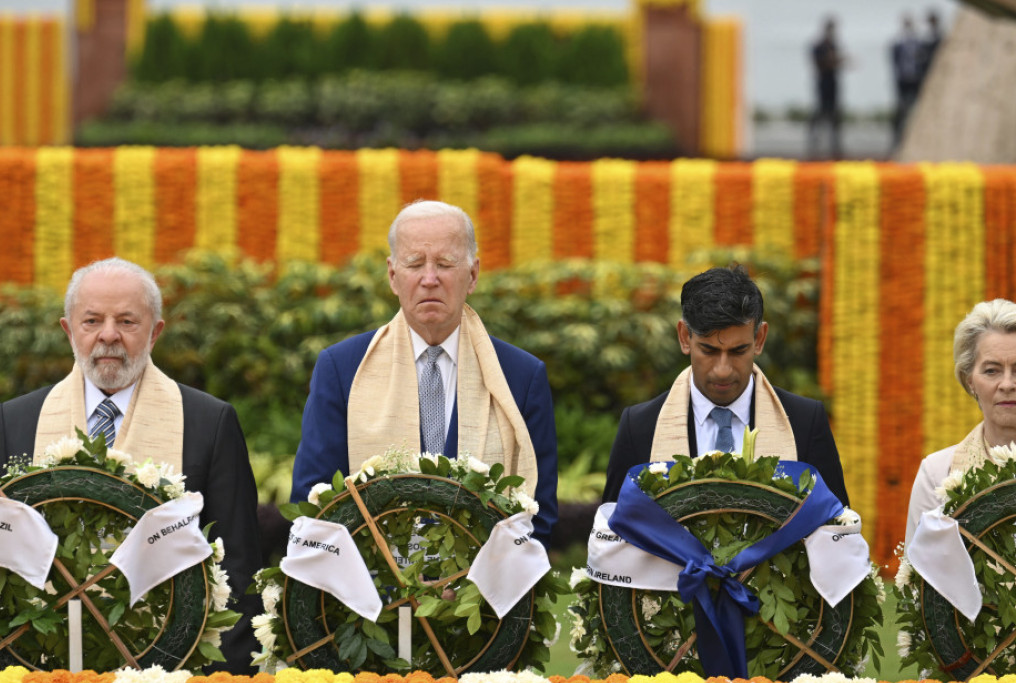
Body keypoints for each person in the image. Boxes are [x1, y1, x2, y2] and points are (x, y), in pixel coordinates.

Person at [0, 258, 263, 674]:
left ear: (155, 332)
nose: (108, 336)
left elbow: (239, 567)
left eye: (127, 321)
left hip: (174, 670)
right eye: (92, 320)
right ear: (68, 330)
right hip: (40, 669)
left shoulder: (209, 423)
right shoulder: (17, 421)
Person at [290, 199, 559, 547]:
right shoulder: (342, 369)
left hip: (483, 596)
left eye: (445, 264)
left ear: (473, 275)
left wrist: (474, 588)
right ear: (392, 276)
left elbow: (540, 516)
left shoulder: (521, 377)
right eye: (415, 264)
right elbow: (313, 504)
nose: (429, 279)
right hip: (369, 595)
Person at [602, 264, 849, 505]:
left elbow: (839, 530)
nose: (722, 370)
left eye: (738, 351)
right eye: (708, 350)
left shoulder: (805, 423)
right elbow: (610, 536)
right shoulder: (639, 427)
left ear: (759, 339)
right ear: (684, 337)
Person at [906, 299, 1016, 546]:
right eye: (992, 370)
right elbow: (920, 580)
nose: (1007, 384)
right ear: (970, 381)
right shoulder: (937, 473)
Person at [807, 16, 846, 160]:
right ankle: (814, 142)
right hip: (823, 82)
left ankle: (835, 145)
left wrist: (837, 61)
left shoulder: (833, 45)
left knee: (835, 114)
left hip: (833, 83)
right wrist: (833, 61)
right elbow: (819, 63)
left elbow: (835, 62)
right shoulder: (819, 45)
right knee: (820, 112)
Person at [890, 14, 925, 147]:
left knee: (915, 108)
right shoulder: (899, 44)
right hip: (903, 80)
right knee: (901, 108)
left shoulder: (918, 43)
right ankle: (898, 138)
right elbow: (895, 63)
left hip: (915, 80)